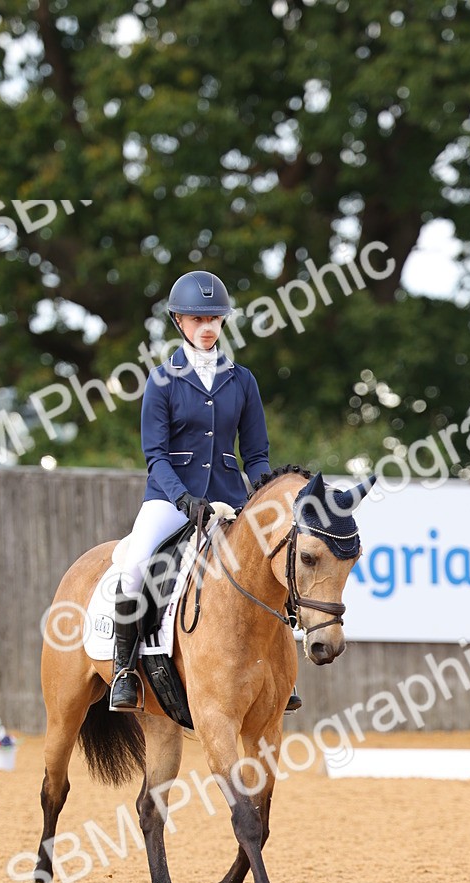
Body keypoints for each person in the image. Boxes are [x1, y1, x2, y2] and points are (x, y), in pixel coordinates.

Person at [110, 269, 301, 715]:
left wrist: (266, 500)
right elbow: (155, 454)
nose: (208, 327)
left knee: (278, 563)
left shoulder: (243, 380)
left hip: (231, 499)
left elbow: (255, 455)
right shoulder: (161, 380)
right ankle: (123, 671)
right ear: (179, 321)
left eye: (214, 318)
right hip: (170, 499)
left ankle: (280, 671)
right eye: (198, 319)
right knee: (137, 563)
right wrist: (182, 499)